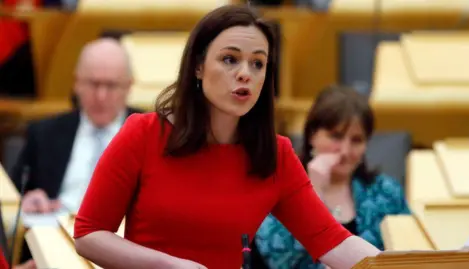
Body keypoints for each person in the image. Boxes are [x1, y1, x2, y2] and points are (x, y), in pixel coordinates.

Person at [73, 5, 380, 269]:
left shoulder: (275, 154)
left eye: (258, 63)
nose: (245, 73)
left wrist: (404, 264)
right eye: (230, 59)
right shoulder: (143, 133)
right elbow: (89, 235)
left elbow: (334, 243)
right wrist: (167, 264)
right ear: (198, 66)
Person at [11, 38, 141, 262]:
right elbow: (14, 196)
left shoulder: (151, 132)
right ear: (76, 83)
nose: (101, 96)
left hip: (123, 249)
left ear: (129, 86)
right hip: (51, 244)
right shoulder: (44, 133)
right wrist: (28, 200)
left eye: (111, 85)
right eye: (92, 84)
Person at [255, 86, 410, 268]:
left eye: (356, 140)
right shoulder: (278, 188)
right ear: (312, 135)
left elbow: (410, 252)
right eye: (336, 136)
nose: (345, 151)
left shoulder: (386, 191)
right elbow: (279, 260)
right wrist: (314, 191)